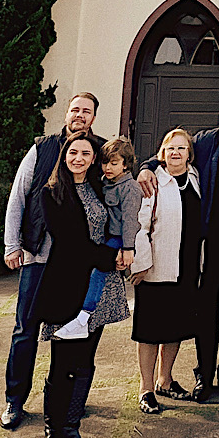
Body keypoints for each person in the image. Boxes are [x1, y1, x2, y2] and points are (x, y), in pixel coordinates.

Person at [137, 93, 219, 402]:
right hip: (212, 240)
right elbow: (172, 151)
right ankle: (204, 375)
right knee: (205, 309)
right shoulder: (206, 141)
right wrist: (146, 166)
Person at [1, 92, 104, 430]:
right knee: (25, 329)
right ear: (67, 113)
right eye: (75, 109)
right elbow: (18, 196)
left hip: (75, 263)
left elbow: (124, 176)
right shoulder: (43, 147)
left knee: (72, 334)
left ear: (93, 118)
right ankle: (15, 402)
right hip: (38, 255)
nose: (80, 115)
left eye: (86, 112)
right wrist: (11, 244)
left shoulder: (100, 151)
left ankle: (67, 402)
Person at [31, 132, 126, 438]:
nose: (79, 158)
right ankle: (52, 434)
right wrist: (107, 257)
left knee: (85, 360)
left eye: (87, 153)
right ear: (64, 155)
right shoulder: (52, 193)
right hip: (67, 287)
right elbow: (68, 241)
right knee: (61, 365)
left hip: (99, 289)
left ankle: (71, 430)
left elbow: (127, 180)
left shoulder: (102, 187)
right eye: (74, 152)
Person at [130, 128, 202, 414]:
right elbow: (139, 225)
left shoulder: (196, 178)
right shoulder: (152, 181)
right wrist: (141, 264)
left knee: (175, 327)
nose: (176, 153)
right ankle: (146, 388)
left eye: (182, 149)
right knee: (149, 330)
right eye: (170, 148)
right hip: (156, 268)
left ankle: (165, 379)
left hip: (186, 268)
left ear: (189, 154)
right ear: (162, 152)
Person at [54, 136, 140, 340]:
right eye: (104, 162)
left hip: (118, 238)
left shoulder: (131, 188)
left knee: (98, 272)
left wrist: (128, 249)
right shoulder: (103, 182)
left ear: (126, 165)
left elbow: (130, 222)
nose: (108, 167)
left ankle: (83, 317)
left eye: (114, 163)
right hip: (105, 236)